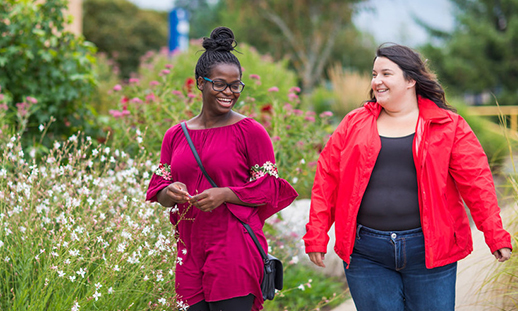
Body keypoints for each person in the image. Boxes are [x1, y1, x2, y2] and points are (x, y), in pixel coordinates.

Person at [303, 43, 512, 310]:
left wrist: (495, 235)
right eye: (374, 74)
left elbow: (477, 184)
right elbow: (327, 179)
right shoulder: (354, 123)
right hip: (366, 254)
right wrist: (317, 234)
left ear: (411, 79)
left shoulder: (448, 126)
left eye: (386, 74)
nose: (376, 81)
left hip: (430, 252)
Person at [146, 26, 297, 311]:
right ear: (199, 83)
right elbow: (159, 192)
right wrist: (171, 190)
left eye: (235, 85)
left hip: (234, 249)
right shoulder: (175, 135)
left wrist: (225, 194)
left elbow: (268, 189)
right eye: (219, 84)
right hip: (189, 251)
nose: (229, 92)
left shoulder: (251, 131)